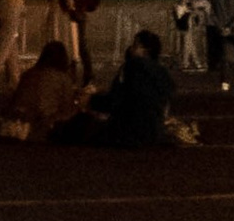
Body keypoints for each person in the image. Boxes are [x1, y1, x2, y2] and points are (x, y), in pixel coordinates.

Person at [52, 25, 180, 150]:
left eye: (135, 45)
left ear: (145, 50)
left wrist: (91, 100)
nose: (131, 49)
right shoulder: (162, 73)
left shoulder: (133, 66)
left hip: (127, 133)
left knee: (81, 124)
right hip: (153, 133)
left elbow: (118, 101)